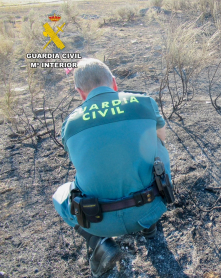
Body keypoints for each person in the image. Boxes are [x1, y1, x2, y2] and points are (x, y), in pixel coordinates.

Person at [52, 58, 172, 277]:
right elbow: (162, 138)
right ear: (114, 83)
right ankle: (148, 225)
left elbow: (81, 162)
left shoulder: (70, 123)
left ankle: (99, 242)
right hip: (152, 205)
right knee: (157, 145)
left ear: (81, 93)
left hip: (97, 220)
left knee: (59, 195)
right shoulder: (143, 102)